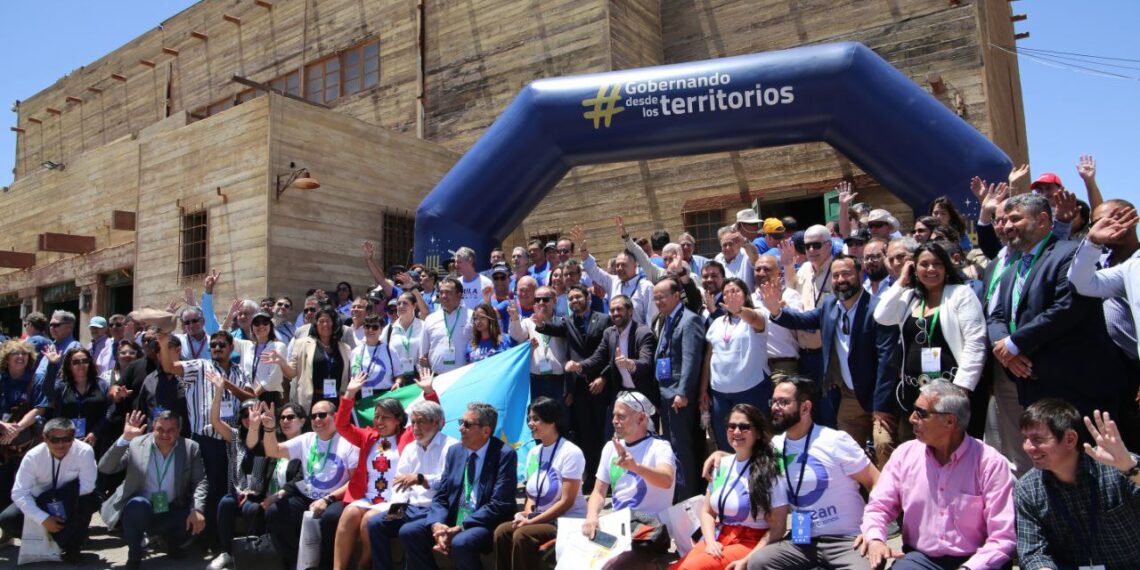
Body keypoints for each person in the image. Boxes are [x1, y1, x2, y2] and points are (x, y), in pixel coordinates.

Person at [987, 193, 1132, 426]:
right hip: (1032, 387)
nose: (1007, 226)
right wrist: (1005, 350)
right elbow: (996, 316)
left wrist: (1014, 343)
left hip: (1076, 389)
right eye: (1004, 220)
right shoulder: (1012, 269)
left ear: (1042, 220)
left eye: (1015, 219)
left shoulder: (1070, 254)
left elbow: (1068, 307)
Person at [857, 382, 1015, 570]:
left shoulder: (990, 463)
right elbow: (878, 507)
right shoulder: (905, 455)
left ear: (950, 421)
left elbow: (1003, 537)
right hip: (921, 560)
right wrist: (875, 539)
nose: (912, 418)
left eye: (921, 413)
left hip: (978, 560)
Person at [762, 254, 901, 466]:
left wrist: (881, 405)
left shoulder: (877, 309)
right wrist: (777, 311)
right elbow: (803, 320)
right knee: (847, 453)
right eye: (836, 276)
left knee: (884, 446)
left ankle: (889, 488)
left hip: (877, 395)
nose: (840, 280)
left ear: (860, 274)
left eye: (846, 274)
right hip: (849, 396)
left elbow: (886, 360)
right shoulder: (830, 305)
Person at [743, 376, 877, 570]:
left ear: (805, 407)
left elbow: (877, 482)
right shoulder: (776, 446)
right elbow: (748, 461)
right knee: (759, 563)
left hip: (847, 539)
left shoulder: (834, 440)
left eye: (784, 402)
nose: (775, 407)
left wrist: (873, 530)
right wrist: (721, 456)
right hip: (802, 541)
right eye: (774, 401)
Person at [873, 242, 988, 437]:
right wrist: (902, 280)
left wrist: (962, 389)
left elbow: (975, 342)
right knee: (920, 447)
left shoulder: (961, 294)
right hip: (915, 393)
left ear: (946, 267)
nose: (931, 269)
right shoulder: (910, 297)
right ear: (914, 268)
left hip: (951, 394)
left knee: (953, 446)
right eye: (924, 264)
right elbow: (881, 316)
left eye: (937, 264)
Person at [157, 329, 254, 551]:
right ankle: (202, 538)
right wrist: (163, 344)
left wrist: (225, 384)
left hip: (230, 440)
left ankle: (220, 540)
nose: (217, 348)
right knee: (204, 490)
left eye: (222, 345)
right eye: (213, 345)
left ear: (231, 348)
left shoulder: (240, 371)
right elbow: (169, 367)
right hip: (205, 440)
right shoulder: (200, 366)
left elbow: (250, 397)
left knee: (224, 491)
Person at [1015, 400, 1140, 569]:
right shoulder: (1027, 488)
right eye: (1025, 439)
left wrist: (1129, 468)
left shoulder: (1119, 466)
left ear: (1070, 439)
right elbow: (1033, 553)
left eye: (1037, 439)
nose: (1028, 447)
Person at [401, 402, 517, 570]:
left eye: (467, 425)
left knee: (461, 542)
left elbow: (499, 504)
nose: (461, 428)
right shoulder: (455, 451)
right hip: (455, 517)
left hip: (484, 521)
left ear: (486, 431)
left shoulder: (504, 454)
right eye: (461, 422)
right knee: (410, 532)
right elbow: (442, 495)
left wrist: (462, 526)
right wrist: (437, 524)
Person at [673, 403, 787, 570]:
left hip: (751, 542)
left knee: (690, 568)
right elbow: (707, 512)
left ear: (757, 433)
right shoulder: (721, 464)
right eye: (731, 426)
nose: (736, 432)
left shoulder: (769, 471)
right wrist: (710, 542)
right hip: (718, 537)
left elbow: (778, 527)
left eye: (744, 427)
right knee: (679, 567)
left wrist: (749, 560)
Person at [99, 410, 208, 570]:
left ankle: (171, 543)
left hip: (172, 505)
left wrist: (197, 509)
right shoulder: (136, 444)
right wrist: (125, 439)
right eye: (160, 429)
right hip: (143, 506)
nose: (165, 434)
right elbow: (105, 467)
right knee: (137, 506)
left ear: (179, 430)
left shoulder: (190, 447)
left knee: (194, 514)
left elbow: (199, 480)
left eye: (170, 430)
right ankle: (135, 555)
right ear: (152, 429)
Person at [262, 399, 359, 570]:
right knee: (275, 512)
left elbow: (355, 481)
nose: (317, 419)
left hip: (336, 498)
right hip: (307, 495)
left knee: (330, 518)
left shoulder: (348, 442)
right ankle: (297, 563)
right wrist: (269, 429)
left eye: (322, 415)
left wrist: (328, 499)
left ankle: (326, 566)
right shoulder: (307, 439)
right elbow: (273, 450)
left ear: (336, 416)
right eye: (313, 416)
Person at [582, 392, 675, 565]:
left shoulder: (659, 447)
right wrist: (592, 516)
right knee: (574, 552)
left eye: (621, 416)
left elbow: (667, 480)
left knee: (612, 564)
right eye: (614, 416)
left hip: (648, 532)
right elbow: (598, 492)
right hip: (619, 529)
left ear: (641, 418)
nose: (614, 421)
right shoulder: (610, 447)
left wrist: (636, 468)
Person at [493, 397, 586, 570]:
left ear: (552, 421)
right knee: (502, 532)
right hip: (541, 518)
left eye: (536, 419)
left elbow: (567, 502)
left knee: (522, 535)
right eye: (529, 419)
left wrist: (531, 522)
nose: (530, 423)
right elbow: (531, 496)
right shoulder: (534, 453)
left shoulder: (571, 452)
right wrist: (527, 515)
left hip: (565, 521)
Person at [536, 283, 612, 491]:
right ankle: (592, 479)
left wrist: (603, 378)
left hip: (601, 385)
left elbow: (611, 352)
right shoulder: (568, 322)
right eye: (570, 298)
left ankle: (608, 480)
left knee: (604, 434)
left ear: (588, 298)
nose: (574, 301)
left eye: (578, 297)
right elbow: (550, 329)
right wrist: (540, 322)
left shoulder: (603, 319)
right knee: (586, 435)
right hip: (579, 388)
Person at [365, 399, 458, 570]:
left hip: (435, 509)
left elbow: (449, 482)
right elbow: (399, 482)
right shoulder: (410, 448)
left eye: (421, 422)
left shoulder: (451, 447)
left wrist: (422, 479)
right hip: (410, 508)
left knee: (408, 531)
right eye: (413, 422)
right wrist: (397, 507)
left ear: (436, 423)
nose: (415, 427)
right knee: (375, 523)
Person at [332, 375, 411, 570]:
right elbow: (342, 425)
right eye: (376, 417)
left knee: (369, 520)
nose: (379, 421)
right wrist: (349, 394)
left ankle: (363, 564)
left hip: (395, 500)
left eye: (385, 417)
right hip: (368, 497)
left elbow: (435, 421)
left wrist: (429, 392)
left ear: (398, 419)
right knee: (349, 513)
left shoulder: (408, 435)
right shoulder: (368, 436)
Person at [0, 418, 98, 563]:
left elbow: (88, 486)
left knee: (90, 500)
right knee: (7, 518)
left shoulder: (85, 451)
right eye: (54, 439)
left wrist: (58, 501)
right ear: (45, 437)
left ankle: (73, 546)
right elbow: (19, 493)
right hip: (39, 500)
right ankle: (42, 541)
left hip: (69, 499)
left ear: (73, 437)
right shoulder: (33, 456)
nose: (60, 444)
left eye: (66, 439)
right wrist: (43, 517)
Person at [652, 276, 707, 500]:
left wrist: (683, 392)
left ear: (677, 295)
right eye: (655, 298)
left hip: (679, 396)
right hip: (665, 392)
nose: (658, 302)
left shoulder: (689, 320)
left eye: (662, 297)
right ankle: (678, 493)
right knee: (672, 445)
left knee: (682, 447)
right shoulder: (665, 319)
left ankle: (687, 497)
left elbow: (691, 360)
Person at [701, 277, 769, 451]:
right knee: (726, 443)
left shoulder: (757, 315)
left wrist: (739, 310)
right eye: (726, 293)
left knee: (754, 443)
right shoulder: (717, 323)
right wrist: (703, 391)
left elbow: (755, 320)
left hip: (752, 389)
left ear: (745, 295)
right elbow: (709, 357)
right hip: (720, 393)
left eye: (735, 291)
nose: (730, 295)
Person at [203, 372, 258, 570]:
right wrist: (219, 390)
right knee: (226, 503)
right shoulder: (235, 437)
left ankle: (253, 553)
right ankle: (226, 552)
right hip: (237, 493)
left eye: (252, 414)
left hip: (259, 493)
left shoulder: (268, 437)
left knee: (253, 508)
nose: (248, 419)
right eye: (244, 415)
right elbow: (215, 420)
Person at [0, 339, 50, 511]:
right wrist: (3, 425)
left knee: (25, 489)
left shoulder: (36, 379)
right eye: (16, 353)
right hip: (2, 442)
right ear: (7, 358)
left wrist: (17, 428)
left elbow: (39, 409)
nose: (21, 356)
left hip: (27, 444)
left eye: (25, 354)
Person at [577, 228, 658, 326]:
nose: (619, 268)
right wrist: (583, 250)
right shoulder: (612, 281)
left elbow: (652, 319)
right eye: (617, 265)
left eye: (623, 265)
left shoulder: (646, 287)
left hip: (638, 334)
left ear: (635, 266)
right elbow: (593, 270)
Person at [282, 307, 354, 414]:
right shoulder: (302, 344)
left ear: (334, 324)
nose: (325, 324)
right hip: (312, 400)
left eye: (328, 321)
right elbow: (291, 373)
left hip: (336, 401)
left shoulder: (345, 348)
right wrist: (281, 362)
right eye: (321, 321)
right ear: (316, 324)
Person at [788, 225, 835, 382]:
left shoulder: (838, 270)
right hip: (804, 353)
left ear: (829, 245)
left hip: (829, 353)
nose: (811, 250)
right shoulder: (804, 269)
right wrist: (788, 265)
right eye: (807, 246)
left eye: (816, 245)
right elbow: (791, 292)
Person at [509, 286, 570, 406]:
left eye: (545, 299)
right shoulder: (528, 322)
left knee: (559, 416)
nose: (541, 303)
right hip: (536, 380)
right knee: (538, 416)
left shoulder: (562, 322)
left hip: (558, 380)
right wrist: (515, 317)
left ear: (554, 301)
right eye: (537, 300)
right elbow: (518, 336)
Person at [51, 347, 114, 463]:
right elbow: (47, 391)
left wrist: (95, 432)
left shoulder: (101, 384)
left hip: (94, 440)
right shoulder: (62, 386)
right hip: (67, 441)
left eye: (85, 361)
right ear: (69, 365)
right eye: (76, 362)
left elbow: (109, 411)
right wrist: (52, 365)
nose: (81, 365)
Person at [752, 255, 802, 377]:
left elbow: (799, 326)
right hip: (757, 368)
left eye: (766, 269)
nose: (761, 273)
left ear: (778, 273)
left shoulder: (790, 295)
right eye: (757, 269)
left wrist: (781, 305)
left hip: (783, 366)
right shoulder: (750, 299)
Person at [420, 277, 472, 374]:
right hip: (437, 376)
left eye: (448, 292)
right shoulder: (430, 319)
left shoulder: (471, 316)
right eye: (441, 292)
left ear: (459, 295)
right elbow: (424, 354)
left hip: (464, 375)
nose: (443, 296)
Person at [245, 311, 288, 405]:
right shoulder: (248, 347)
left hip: (269, 397)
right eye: (257, 323)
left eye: (265, 322)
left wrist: (254, 394)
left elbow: (274, 375)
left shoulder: (278, 346)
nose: (261, 326)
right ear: (251, 328)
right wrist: (230, 317)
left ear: (270, 326)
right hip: (251, 397)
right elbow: (223, 335)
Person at [383, 291, 426, 382]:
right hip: (396, 378)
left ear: (414, 306)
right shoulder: (389, 329)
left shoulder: (423, 326)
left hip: (420, 376)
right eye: (399, 303)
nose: (401, 306)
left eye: (405, 303)